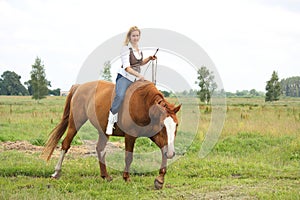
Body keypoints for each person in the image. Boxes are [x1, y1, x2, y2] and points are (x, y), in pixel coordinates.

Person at [106, 26, 157, 135]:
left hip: (135, 78)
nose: (135, 38)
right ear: (129, 36)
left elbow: (139, 63)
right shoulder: (125, 49)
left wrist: (149, 58)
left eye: (137, 35)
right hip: (125, 77)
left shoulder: (139, 49)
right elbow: (127, 68)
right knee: (120, 96)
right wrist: (139, 75)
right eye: (133, 36)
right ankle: (110, 121)